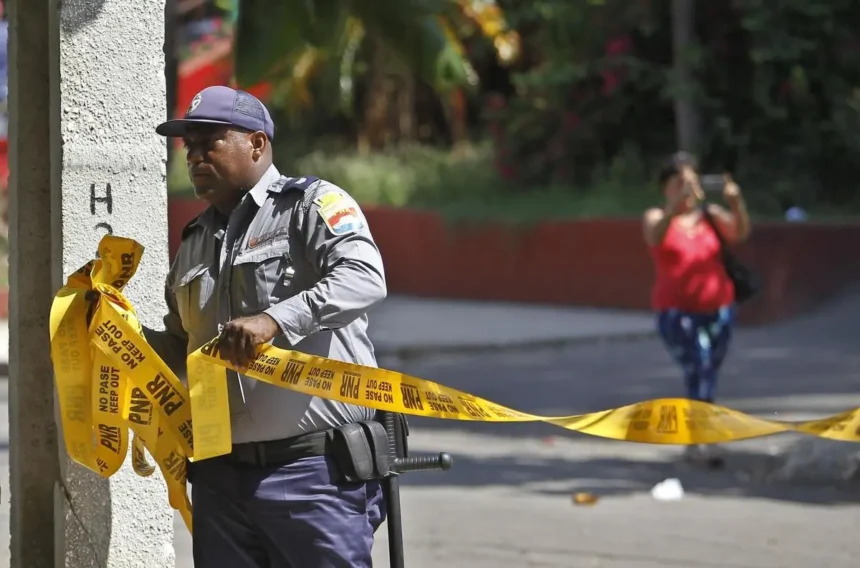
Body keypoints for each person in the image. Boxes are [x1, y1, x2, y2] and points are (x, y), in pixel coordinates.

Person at [143, 85, 387, 567]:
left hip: (312, 473)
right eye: (188, 144)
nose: (193, 155)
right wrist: (110, 335)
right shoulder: (193, 241)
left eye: (209, 141)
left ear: (256, 144)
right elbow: (179, 345)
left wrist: (274, 319)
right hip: (219, 479)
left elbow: (364, 277)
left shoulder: (310, 206)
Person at [642, 151, 751, 465]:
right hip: (676, 312)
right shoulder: (656, 217)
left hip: (719, 310)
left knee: (707, 373)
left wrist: (735, 202)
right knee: (699, 366)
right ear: (666, 188)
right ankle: (705, 438)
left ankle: (694, 440)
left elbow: (740, 232)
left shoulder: (711, 217)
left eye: (691, 182)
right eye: (679, 183)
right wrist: (674, 209)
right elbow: (654, 235)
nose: (687, 189)